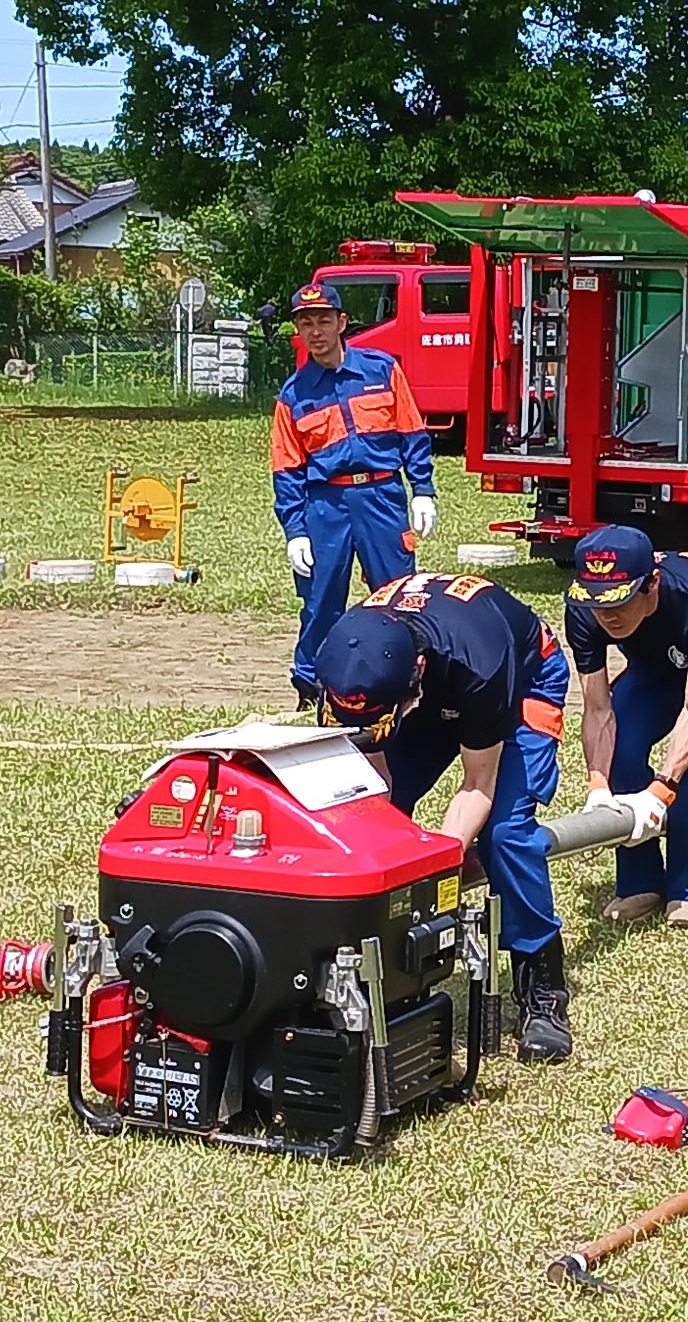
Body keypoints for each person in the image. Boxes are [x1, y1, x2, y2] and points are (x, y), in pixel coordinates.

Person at [315, 574, 573, 1062]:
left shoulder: (481, 662)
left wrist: (432, 871)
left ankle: (542, 994)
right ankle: (374, 976)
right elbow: (369, 773)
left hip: (519, 682)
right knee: (365, 812)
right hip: (426, 691)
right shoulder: (343, 662)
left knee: (505, 835)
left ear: (415, 671)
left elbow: (478, 784)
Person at [567, 526, 688, 929]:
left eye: (619, 603)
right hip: (655, 666)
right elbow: (598, 708)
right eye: (597, 603)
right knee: (621, 747)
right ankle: (640, 883)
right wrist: (598, 786)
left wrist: (660, 792)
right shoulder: (585, 609)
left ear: (652, 583)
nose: (607, 616)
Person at [271, 280, 437, 708]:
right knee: (321, 601)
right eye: (306, 323)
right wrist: (296, 530)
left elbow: (412, 432)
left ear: (342, 323)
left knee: (398, 593)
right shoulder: (293, 395)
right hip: (325, 506)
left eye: (324, 320)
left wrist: (422, 489)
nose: (316, 331)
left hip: (382, 497)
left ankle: (408, 681)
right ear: (299, 332)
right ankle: (312, 688)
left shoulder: (382, 370)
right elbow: (287, 468)